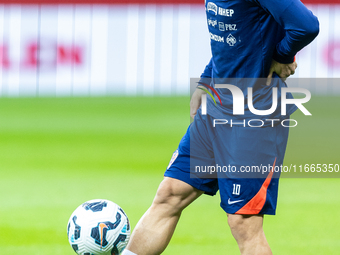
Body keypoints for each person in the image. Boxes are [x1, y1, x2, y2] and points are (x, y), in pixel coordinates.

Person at [122, 0, 319, 254]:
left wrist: (281, 55)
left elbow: (307, 25)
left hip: (253, 115)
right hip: (217, 108)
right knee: (170, 193)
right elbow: (232, 38)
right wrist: (205, 82)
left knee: (243, 223)